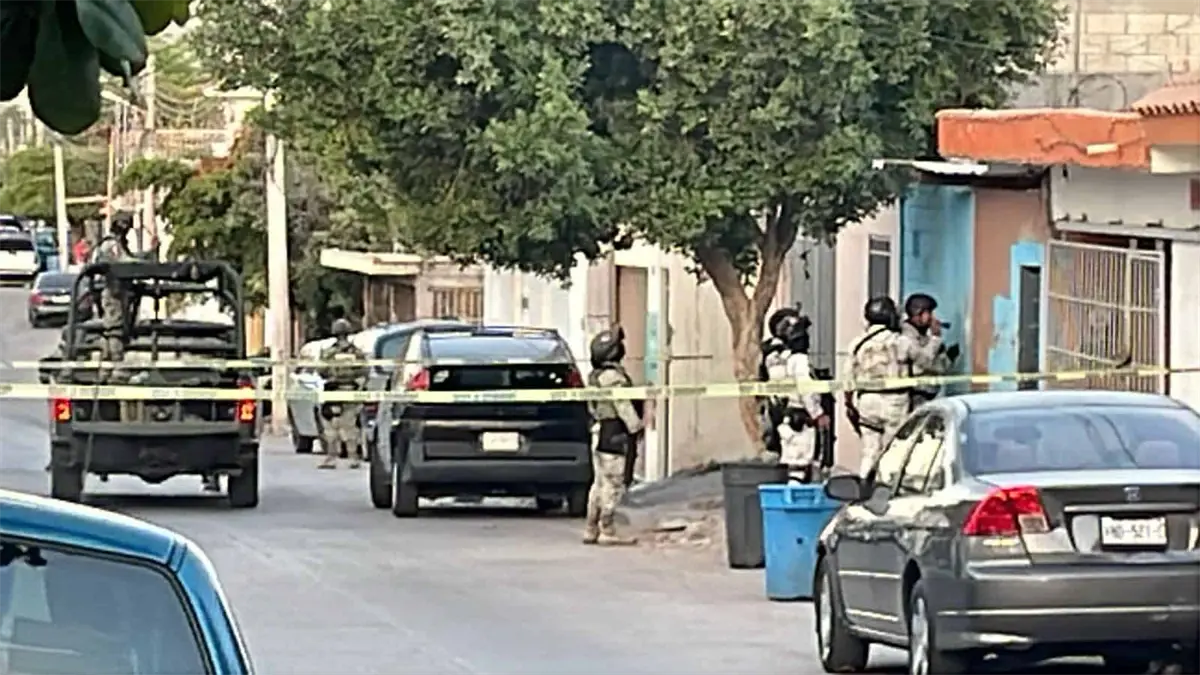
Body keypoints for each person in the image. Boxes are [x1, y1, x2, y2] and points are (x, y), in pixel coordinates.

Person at [844, 297, 940, 475]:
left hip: (866, 401)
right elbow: (926, 361)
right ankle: (886, 483)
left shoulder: (857, 344)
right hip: (895, 401)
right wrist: (935, 339)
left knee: (870, 451)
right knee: (894, 449)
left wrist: (849, 404)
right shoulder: (900, 342)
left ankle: (865, 482)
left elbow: (848, 379)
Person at [582, 327, 642, 546]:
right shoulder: (613, 377)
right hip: (614, 432)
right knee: (613, 484)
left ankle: (591, 527)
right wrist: (636, 427)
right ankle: (607, 529)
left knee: (598, 483)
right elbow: (622, 404)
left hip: (599, 431)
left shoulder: (594, 376)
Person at [772, 310, 831, 481]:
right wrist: (818, 414)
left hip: (786, 419)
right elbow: (806, 390)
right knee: (800, 469)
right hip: (801, 420)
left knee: (793, 469)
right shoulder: (799, 361)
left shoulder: (779, 359)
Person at [317, 318, 367, 469]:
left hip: (333, 391)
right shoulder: (356, 352)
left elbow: (321, 371)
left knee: (331, 426)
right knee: (350, 425)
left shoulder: (329, 352)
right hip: (350, 391)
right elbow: (364, 371)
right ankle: (353, 458)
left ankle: (331, 458)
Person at [89, 214, 136, 371]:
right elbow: (123, 262)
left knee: (117, 328)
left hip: (118, 292)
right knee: (114, 329)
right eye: (123, 224)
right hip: (112, 292)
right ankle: (115, 365)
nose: (126, 228)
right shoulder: (110, 244)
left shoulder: (119, 243)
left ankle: (108, 367)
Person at [901, 293, 960, 409]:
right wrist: (935, 337)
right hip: (914, 398)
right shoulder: (906, 337)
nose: (932, 318)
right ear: (917, 314)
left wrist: (948, 358)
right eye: (929, 313)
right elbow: (924, 361)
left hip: (929, 396)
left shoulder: (924, 337)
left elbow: (935, 367)